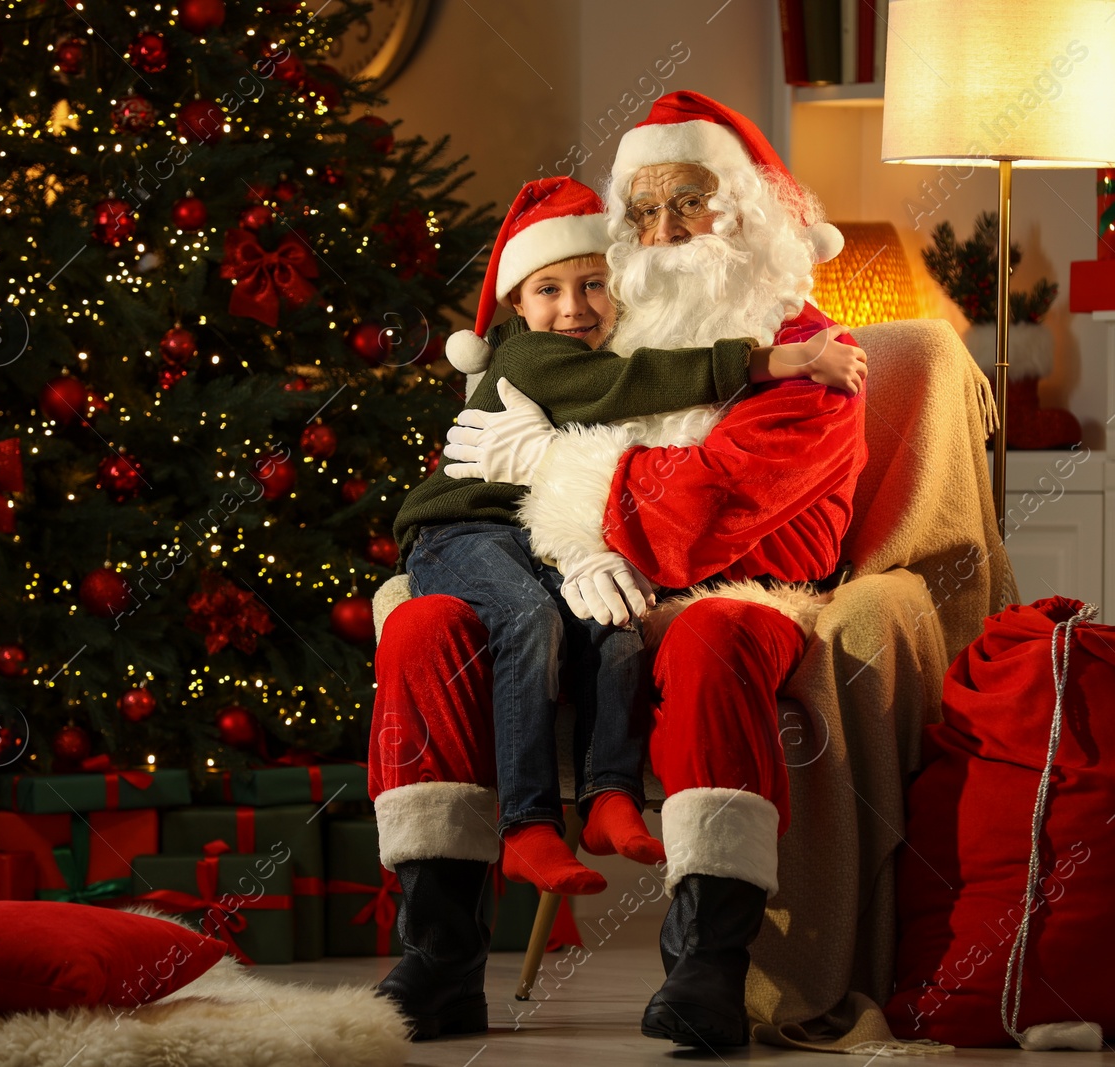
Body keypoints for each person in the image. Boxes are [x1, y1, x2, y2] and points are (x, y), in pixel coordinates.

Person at [371, 91, 867, 1049]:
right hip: (580, 580)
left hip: (735, 591)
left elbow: (691, 523)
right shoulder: (605, 334)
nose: (665, 231)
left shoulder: (814, 361)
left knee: (713, 633)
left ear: (751, 208)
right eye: (642, 211)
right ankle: (439, 960)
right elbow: (484, 480)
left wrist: (543, 462)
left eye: (690, 199)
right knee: (430, 625)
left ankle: (708, 964)